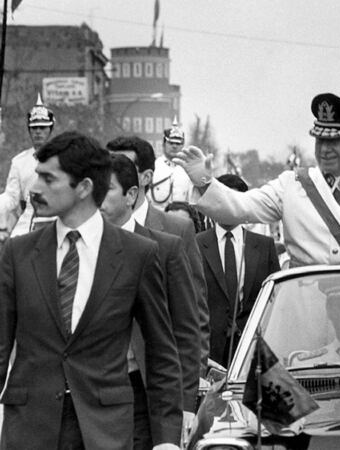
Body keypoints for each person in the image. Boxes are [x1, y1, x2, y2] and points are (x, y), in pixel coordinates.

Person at [174, 92, 340, 345]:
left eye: (334, 141)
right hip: (301, 325)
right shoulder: (293, 184)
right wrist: (203, 179)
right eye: (319, 140)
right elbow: (240, 207)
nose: (324, 149)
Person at [0, 131, 182, 449]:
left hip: (105, 429)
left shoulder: (137, 254)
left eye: (48, 178)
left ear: (84, 187)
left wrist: (167, 439)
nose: (34, 189)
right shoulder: (18, 253)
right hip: (29, 429)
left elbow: (161, 351)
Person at [101, 153, 201, 448]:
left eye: (105, 189)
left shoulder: (164, 249)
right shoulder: (81, 249)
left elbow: (185, 332)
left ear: (131, 195)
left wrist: (183, 406)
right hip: (92, 392)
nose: (94, 198)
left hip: (144, 392)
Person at [107, 135, 210, 372]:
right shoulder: (91, 231)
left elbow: (194, 316)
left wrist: (191, 386)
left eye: (124, 166)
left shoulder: (176, 231)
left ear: (145, 177)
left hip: (156, 379)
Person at [196, 174, 280, 365]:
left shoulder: (264, 246)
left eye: (233, 202)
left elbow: (274, 300)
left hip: (253, 347)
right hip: (209, 349)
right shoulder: (196, 244)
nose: (227, 209)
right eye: (222, 202)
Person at [0, 93, 56, 240]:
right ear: (29, 130)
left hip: (58, 216)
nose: (38, 132)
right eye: (34, 127)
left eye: (43, 128)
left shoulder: (63, 157)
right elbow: (11, 197)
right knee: (14, 249)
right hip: (29, 218)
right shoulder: (19, 161)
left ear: (50, 129)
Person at [149, 118, 197, 210]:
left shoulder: (188, 170)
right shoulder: (154, 166)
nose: (174, 146)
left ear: (183, 146)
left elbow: (193, 202)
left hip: (180, 220)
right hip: (157, 218)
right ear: (163, 144)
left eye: (178, 143)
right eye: (171, 143)